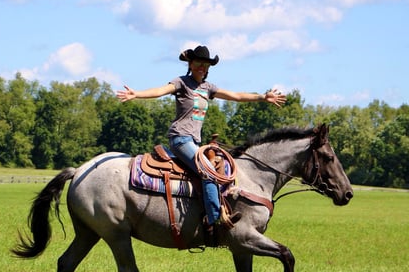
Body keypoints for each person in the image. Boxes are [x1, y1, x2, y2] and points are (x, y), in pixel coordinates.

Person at [116, 44, 286, 246]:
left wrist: (262, 97)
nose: (202, 68)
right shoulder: (182, 83)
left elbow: (237, 96)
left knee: (222, 170)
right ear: (190, 63)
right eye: (198, 63)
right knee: (209, 172)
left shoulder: (208, 88)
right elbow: (161, 90)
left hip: (196, 142)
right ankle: (214, 221)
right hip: (180, 139)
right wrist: (137, 94)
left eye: (206, 65)